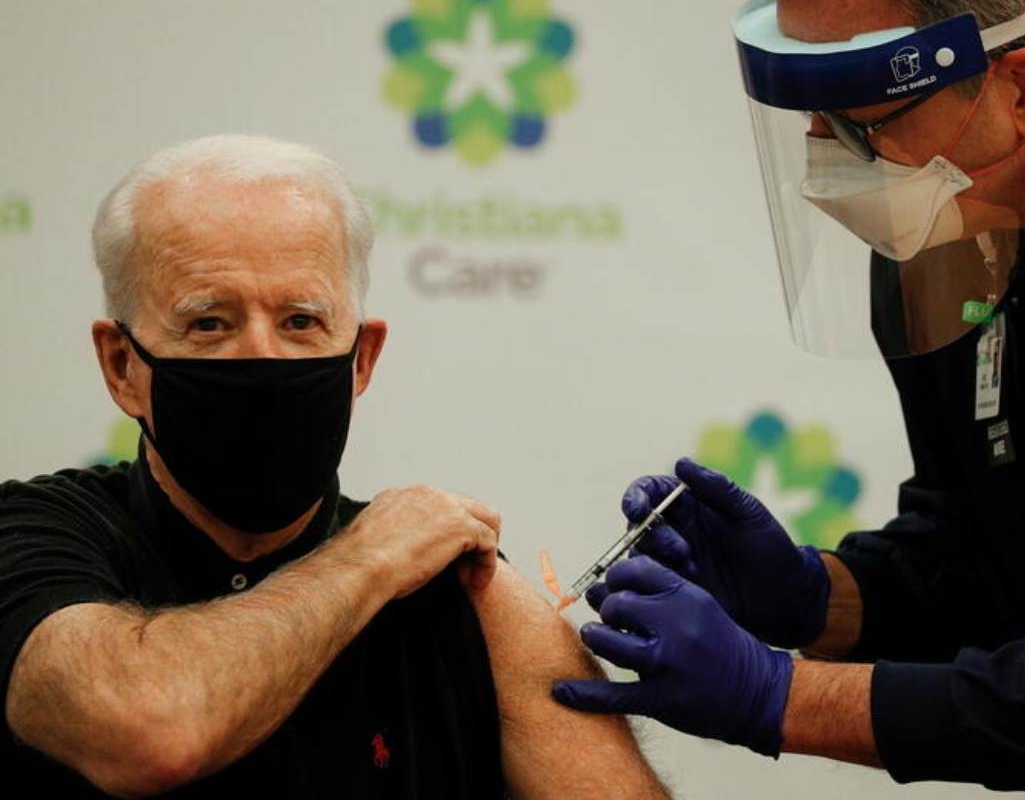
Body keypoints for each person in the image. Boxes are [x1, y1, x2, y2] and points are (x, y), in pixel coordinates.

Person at [553, 0, 1025, 797]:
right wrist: (819, 597)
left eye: (856, 119)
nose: (826, 164)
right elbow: (982, 553)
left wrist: (777, 696)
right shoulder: (947, 217)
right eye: (808, 116)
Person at [0, 135, 667, 798]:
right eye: (209, 323)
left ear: (362, 359)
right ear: (122, 365)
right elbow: (145, 731)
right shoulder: (30, 537)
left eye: (300, 321)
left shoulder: (459, 593)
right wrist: (367, 560)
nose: (263, 357)